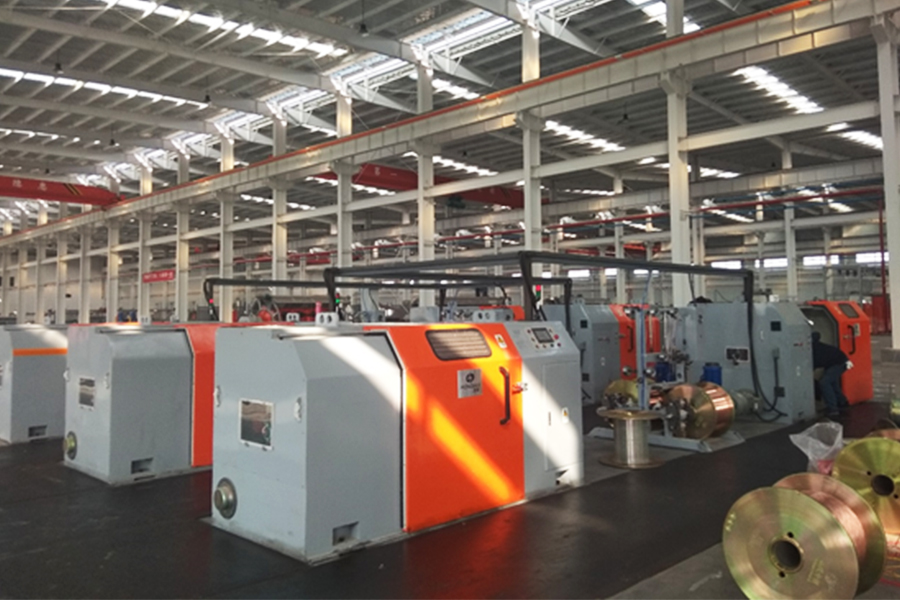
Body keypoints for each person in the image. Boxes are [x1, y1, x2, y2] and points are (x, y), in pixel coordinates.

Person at [812, 331, 853, 418]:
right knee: (832, 383)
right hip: (842, 361)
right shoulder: (818, 346)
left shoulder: (813, 350)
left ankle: (833, 409)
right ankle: (842, 402)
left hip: (839, 363)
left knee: (824, 382)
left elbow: (813, 365)